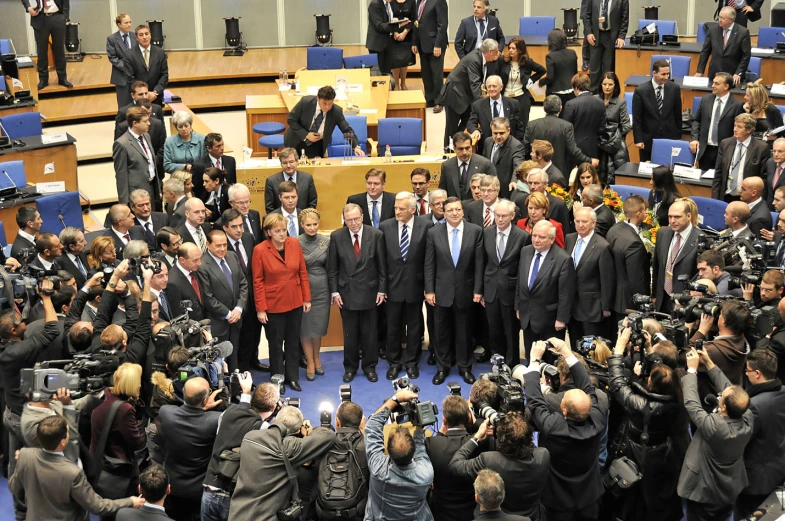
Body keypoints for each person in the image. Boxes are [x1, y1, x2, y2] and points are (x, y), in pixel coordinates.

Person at [608, 329, 687, 521]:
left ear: (651, 383)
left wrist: (618, 349)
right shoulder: (677, 399)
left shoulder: (641, 405)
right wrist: (650, 350)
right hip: (663, 456)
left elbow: (618, 383)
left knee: (635, 500)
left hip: (637, 455)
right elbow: (662, 373)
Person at [522, 338, 606, 521]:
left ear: (564, 410)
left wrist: (534, 361)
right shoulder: (597, 419)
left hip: (558, 502)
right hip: (589, 498)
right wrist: (567, 353)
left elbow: (535, 401)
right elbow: (588, 387)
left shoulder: (554, 428)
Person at [11, 416, 144, 520]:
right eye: (68, 431)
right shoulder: (72, 473)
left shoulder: (24, 455)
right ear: (63, 442)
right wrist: (130, 501)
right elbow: (98, 506)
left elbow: (14, 488)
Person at [679, 348, 753, 521]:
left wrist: (691, 370)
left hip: (705, 491)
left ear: (724, 407)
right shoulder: (747, 415)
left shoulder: (715, 427)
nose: (721, 393)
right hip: (730, 487)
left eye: (721, 397)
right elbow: (731, 391)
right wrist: (710, 364)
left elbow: (692, 404)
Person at [228, 407, 336, 521]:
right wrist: (309, 432)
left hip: (237, 514)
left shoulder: (249, 437)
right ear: (298, 430)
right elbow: (328, 435)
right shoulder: (289, 447)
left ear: (274, 421)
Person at [425, 197, 484, 385]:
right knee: (441, 333)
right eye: (450, 210)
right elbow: (429, 264)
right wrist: (429, 290)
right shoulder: (434, 233)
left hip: (466, 291)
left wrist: (478, 289)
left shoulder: (475, 231)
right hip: (441, 291)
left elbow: (479, 264)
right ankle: (442, 368)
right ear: (444, 212)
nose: (454, 213)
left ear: (463, 211)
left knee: (464, 332)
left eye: (457, 209)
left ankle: (465, 367)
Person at [451, 411, 550, 521]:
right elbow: (529, 446)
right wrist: (520, 432)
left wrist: (477, 437)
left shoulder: (489, 460)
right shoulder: (543, 456)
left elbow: (455, 465)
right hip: (533, 517)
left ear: (500, 440)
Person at [253, 213, 311, 391]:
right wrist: (261, 309)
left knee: (293, 342)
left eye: (284, 230)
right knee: (276, 344)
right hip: (273, 305)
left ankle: (293, 377)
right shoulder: (260, 250)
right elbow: (258, 281)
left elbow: (302, 271)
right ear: (268, 232)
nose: (281, 234)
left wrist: (306, 298)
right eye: (277, 231)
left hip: (294, 301)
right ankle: (277, 379)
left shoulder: (294, 243)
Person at [328, 204, 386, 383]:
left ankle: (370, 367)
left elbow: (382, 266)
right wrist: (334, 292)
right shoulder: (337, 236)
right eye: (349, 220)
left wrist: (382, 290)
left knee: (370, 334)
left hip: (370, 292)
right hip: (346, 294)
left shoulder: (376, 235)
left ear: (362, 216)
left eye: (356, 219)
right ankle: (350, 368)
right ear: (344, 219)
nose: (353, 223)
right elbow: (332, 268)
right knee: (350, 334)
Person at [200, 374, 270, 521]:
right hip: (233, 498)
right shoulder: (265, 429)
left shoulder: (227, 413)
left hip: (209, 491)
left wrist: (245, 393)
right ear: (274, 407)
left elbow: (241, 416)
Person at [380, 192, 431, 379]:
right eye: (396, 208)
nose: (398, 211)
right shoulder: (385, 226)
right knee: (392, 326)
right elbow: (382, 260)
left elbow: (428, 258)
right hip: (392, 286)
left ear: (412, 209)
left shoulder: (426, 225)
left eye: (402, 209)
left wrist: (428, 286)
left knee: (415, 325)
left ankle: (411, 362)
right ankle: (394, 362)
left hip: (415, 285)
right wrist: (382, 287)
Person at [157, 377, 222, 521]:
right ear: (205, 400)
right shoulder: (214, 420)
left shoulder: (166, 412)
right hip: (198, 490)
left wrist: (201, 405)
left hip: (172, 485)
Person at [365, 389, 434, 520]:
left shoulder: (378, 468)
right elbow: (420, 448)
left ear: (387, 450)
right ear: (412, 451)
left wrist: (396, 398)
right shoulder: (425, 474)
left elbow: (372, 426)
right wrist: (418, 428)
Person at [732, 349, 785, 518]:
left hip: (754, 480)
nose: (745, 375)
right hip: (779, 468)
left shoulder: (754, 405)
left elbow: (739, 440)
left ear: (757, 373)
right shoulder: (783, 391)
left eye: (746, 371)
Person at [516, 221, 575, 359]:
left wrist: (561, 318)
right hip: (528, 316)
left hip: (550, 320)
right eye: (534, 235)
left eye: (541, 237)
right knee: (531, 356)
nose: (536, 240)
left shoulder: (563, 259)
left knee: (550, 360)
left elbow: (565, 293)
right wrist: (518, 305)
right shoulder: (526, 251)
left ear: (552, 239)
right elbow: (521, 280)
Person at [90, 363, 147, 503]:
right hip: (116, 470)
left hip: (97, 460)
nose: (140, 385)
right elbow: (137, 443)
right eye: (138, 382)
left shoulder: (105, 394)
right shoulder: (124, 409)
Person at [199, 230, 248, 370]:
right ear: (208, 245)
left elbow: (243, 283)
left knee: (234, 356)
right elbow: (208, 298)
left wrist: (239, 309)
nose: (222, 249)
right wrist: (228, 314)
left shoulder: (232, 256)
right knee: (219, 361)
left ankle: (235, 382)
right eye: (218, 245)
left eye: (225, 245)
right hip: (218, 322)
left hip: (236, 319)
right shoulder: (202, 265)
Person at [440, 39, 500, 150]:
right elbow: (475, 84)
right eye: (497, 51)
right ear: (490, 51)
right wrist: (482, 104)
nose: (499, 54)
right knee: (451, 126)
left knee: (467, 121)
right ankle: (448, 149)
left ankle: (456, 145)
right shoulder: (475, 60)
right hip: (455, 94)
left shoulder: (481, 57)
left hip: (465, 94)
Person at [566, 206, 614, 340]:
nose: (580, 225)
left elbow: (607, 280)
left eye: (584, 222)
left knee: (591, 348)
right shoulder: (569, 239)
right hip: (572, 306)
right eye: (577, 221)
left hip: (592, 308)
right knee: (575, 346)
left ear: (593, 223)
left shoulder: (602, 246)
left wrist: (606, 307)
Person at [425, 396, 476, 521]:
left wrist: (440, 434)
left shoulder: (432, 444)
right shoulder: (477, 444)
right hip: (471, 512)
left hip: (441, 513)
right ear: (469, 418)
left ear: (445, 420)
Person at [284, 85, 364, 158]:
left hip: (316, 145)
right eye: (324, 103)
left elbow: (346, 130)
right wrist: (306, 135)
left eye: (330, 103)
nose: (327, 107)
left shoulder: (336, 111)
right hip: (296, 140)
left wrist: (356, 146)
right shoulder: (306, 102)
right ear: (318, 98)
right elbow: (291, 119)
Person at [524, 96, 594, 177]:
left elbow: (525, 149)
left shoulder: (531, 125)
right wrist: (589, 160)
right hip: (560, 173)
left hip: (535, 171)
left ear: (544, 108)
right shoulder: (567, 126)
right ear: (560, 108)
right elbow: (573, 151)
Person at [296, 208, 330, 379]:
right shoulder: (295, 242)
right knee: (305, 328)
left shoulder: (327, 241)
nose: (312, 227)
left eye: (315, 224)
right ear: (302, 225)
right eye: (308, 225)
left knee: (318, 326)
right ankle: (309, 361)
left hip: (323, 289)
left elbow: (331, 267)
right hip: (303, 290)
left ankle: (317, 358)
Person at [690, 73, 746, 170]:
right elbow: (696, 121)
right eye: (713, 83)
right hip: (705, 149)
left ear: (726, 86)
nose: (713, 86)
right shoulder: (705, 99)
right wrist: (694, 138)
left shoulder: (737, 105)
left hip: (724, 151)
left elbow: (738, 128)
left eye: (716, 83)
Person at [652, 199, 699, 313]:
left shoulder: (700, 239)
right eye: (670, 217)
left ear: (688, 216)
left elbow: (700, 275)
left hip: (683, 302)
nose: (672, 221)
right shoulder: (663, 233)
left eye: (677, 217)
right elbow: (657, 266)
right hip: (662, 299)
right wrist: (655, 295)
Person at [632, 59, 683, 162]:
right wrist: (638, 139)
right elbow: (637, 118)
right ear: (654, 73)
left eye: (668, 74)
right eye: (663, 74)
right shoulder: (640, 91)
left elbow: (678, 115)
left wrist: (678, 136)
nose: (666, 77)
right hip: (648, 140)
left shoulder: (674, 88)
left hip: (669, 138)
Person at [713, 113, 771, 201]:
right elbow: (718, 173)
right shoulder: (725, 144)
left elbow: (763, 179)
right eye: (734, 126)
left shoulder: (761, 148)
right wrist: (715, 199)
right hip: (725, 196)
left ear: (749, 130)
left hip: (747, 199)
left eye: (739, 127)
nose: (735, 129)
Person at [114, 107, 161, 205]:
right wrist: (124, 202)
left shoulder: (146, 136)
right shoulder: (121, 144)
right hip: (136, 195)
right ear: (135, 123)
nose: (149, 123)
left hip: (152, 189)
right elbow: (121, 175)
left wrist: (158, 189)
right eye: (145, 121)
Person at [498, 37, 545, 135]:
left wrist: (531, 79)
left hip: (521, 97)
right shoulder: (503, 60)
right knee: (505, 125)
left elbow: (542, 70)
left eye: (513, 48)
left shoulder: (527, 62)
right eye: (509, 48)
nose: (510, 50)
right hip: (506, 97)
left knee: (521, 126)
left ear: (520, 50)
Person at [468, 76, 522, 156]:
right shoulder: (478, 105)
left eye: (494, 86)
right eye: (489, 86)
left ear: (501, 87)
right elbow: (471, 123)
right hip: (487, 148)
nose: (491, 89)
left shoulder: (513, 104)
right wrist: (475, 130)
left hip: (509, 146)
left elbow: (519, 127)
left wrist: (516, 145)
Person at [696, 7, 751, 86]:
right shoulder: (712, 30)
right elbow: (705, 52)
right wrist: (700, 71)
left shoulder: (743, 32)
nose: (719, 20)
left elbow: (746, 55)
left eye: (723, 18)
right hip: (714, 75)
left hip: (732, 76)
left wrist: (738, 73)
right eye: (719, 17)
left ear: (731, 20)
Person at [23, 0, 71, 89]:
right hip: (39, 18)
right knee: (41, 51)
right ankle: (43, 80)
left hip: (58, 17)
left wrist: (65, 17)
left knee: (59, 50)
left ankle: (62, 78)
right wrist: (28, 7)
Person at [583, 0, 628, 94]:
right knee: (594, 67)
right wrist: (589, 32)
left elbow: (625, 19)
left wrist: (621, 36)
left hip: (611, 36)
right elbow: (586, 15)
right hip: (595, 35)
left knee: (608, 67)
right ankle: (593, 91)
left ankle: (607, 93)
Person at [411, 0, 448, 112]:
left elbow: (442, 24)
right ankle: (429, 99)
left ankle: (439, 102)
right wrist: (414, 42)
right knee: (426, 74)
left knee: (436, 74)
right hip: (423, 43)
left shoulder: (438, 1)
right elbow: (417, 23)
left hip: (435, 44)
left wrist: (438, 45)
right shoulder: (419, 2)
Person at [439, 132, 497, 200]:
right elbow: (442, 191)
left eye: (467, 148)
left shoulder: (484, 164)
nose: (464, 152)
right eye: (460, 149)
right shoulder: (447, 166)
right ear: (454, 148)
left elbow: (494, 189)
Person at [596, 72, 631, 183]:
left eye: (610, 84)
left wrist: (612, 137)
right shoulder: (594, 99)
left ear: (615, 85)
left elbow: (626, 125)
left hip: (614, 144)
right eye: (604, 84)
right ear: (600, 85)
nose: (607, 87)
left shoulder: (621, 102)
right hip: (597, 142)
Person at [563, 74, 605, 167]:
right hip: (593, 147)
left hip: (574, 148)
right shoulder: (600, 103)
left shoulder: (571, 104)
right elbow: (602, 127)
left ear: (576, 87)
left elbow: (565, 128)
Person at [482, 117, 525, 199]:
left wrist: (514, 181)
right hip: (488, 189)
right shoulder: (488, 141)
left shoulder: (516, 146)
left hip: (505, 190)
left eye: (501, 133)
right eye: (495, 133)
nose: (498, 136)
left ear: (508, 131)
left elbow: (518, 165)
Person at [264, 148, 317, 214]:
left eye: (291, 162)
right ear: (281, 164)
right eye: (285, 163)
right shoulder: (271, 181)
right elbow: (270, 208)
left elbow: (312, 203)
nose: (288, 166)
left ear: (297, 161)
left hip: (302, 221)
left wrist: (305, 219)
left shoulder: (307, 178)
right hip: (280, 222)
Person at [123, 24, 169, 103]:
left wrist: (155, 92)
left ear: (150, 35)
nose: (144, 37)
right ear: (137, 38)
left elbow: (164, 75)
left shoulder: (160, 53)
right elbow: (130, 77)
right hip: (139, 97)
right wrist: (144, 93)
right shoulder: (129, 55)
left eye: (146, 34)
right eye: (141, 35)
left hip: (156, 97)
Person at [190, 133, 237, 202]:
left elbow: (233, 183)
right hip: (207, 204)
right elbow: (194, 189)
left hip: (228, 202)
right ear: (208, 148)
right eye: (218, 146)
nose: (222, 148)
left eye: (222, 144)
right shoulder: (198, 165)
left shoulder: (230, 161)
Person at [538, 29, 578, 109]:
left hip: (556, 93)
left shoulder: (550, 56)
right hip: (571, 91)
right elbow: (575, 73)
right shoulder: (572, 53)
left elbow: (550, 78)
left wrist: (540, 82)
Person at [366, 0, 408, 75]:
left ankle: (386, 86)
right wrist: (398, 25)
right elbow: (380, 25)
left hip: (387, 42)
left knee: (387, 71)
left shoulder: (388, 4)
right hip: (377, 45)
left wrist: (393, 20)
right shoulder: (375, 4)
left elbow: (387, 20)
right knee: (378, 73)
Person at [169, 242, 205, 321]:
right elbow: (178, 315)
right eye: (195, 260)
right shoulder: (173, 282)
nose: (199, 263)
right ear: (182, 260)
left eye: (200, 258)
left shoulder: (195, 270)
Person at [107, 13, 136, 108]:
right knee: (124, 106)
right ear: (119, 25)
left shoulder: (135, 36)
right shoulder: (112, 39)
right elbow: (112, 57)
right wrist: (127, 67)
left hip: (136, 76)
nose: (129, 25)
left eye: (130, 22)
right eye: (126, 23)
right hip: (122, 76)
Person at [389, 0, 417, 90]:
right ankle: (396, 84)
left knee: (405, 59)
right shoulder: (390, 1)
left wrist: (405, 32)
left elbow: (414, 19)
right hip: (393, 35)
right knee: (394, 59)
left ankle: (403, 83)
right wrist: (395, 32)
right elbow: (388, 17)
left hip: (407, 34)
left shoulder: (412, 2)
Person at [766, 138, 785, 209]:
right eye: (774, 151)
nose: (776, 154)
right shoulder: (770, 163)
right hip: (770, 207)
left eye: (780, 151)